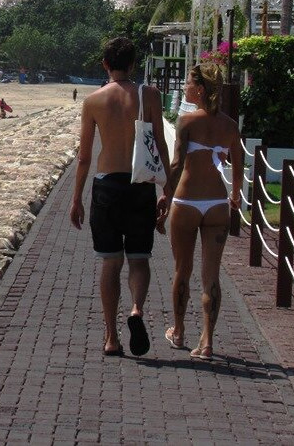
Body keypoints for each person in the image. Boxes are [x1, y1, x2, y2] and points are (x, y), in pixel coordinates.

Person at [69, 37, 170, 357]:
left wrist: (76, 198)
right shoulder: (149, 95)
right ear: (133, 64)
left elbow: (84, 157)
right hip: (140, 185)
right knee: (139, 258)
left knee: (110, 262)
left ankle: (111, 337)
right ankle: (137, 309)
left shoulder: (93, 101)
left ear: (105, 65)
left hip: (106, 186)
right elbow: (161, 146)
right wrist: (167, 186)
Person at [162, 63, 243, 361]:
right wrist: (235, 195)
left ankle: (180, 331)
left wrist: (164, 197)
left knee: (182, 269)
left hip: (187, 202)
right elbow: (238, 163)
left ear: (199, 88)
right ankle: (207, 341)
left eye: (187, 82)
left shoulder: (187, 122)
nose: (184, 87)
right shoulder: (230, 125)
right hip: (217, 205)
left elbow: (176, 165)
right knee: (212, 275)